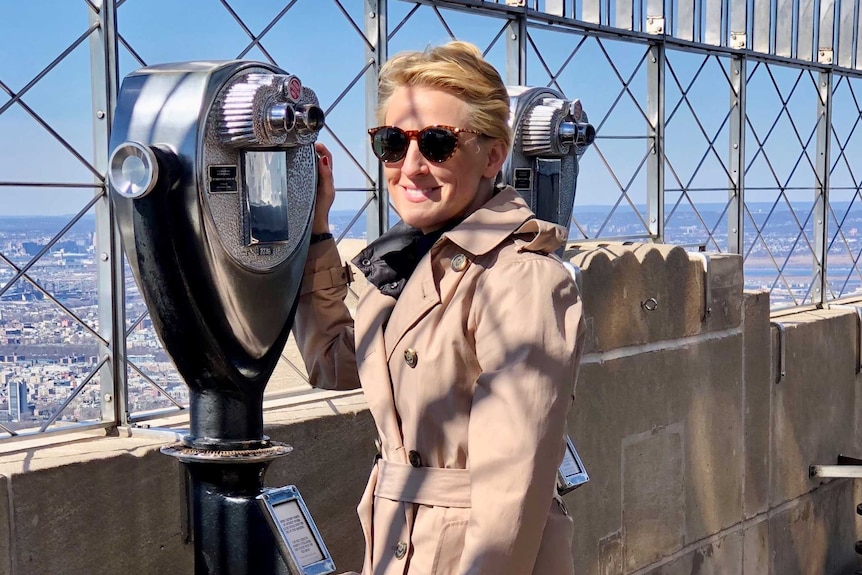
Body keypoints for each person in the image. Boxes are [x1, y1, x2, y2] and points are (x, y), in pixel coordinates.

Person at [293, 40, 585, 575]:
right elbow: (334, 362)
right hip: (404, 541)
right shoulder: (410, 260)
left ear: (494, 155)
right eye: (391, 142)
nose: (411, 166)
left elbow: (512, 486)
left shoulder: (519, 278)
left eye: (436, 143)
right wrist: (316, 233)